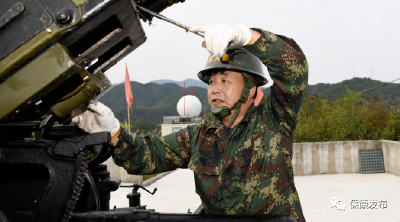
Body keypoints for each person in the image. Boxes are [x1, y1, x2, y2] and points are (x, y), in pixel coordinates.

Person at [72, 23, 308, 221]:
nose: (215, 89)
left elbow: (293, 68)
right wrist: (112, 132)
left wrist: (247, 36)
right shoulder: (198, 136)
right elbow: (148, 154)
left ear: (250, 87)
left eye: (225, 80)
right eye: (212, 81)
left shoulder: (274, 122)